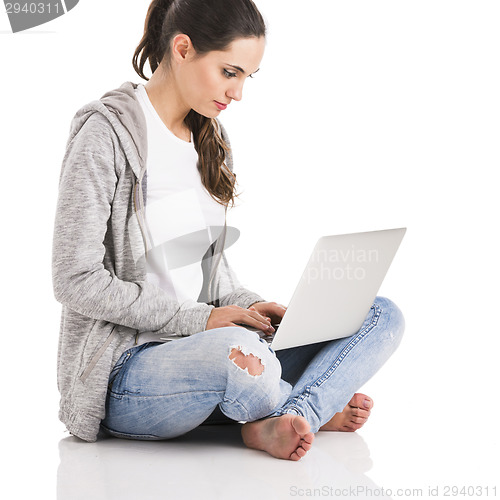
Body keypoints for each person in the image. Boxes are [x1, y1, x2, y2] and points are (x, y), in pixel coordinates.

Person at [52, 0, 405, 461]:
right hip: (129, 371)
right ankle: (309, 404)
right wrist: (202, 321)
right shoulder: (105, 135)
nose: (237, 93)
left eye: (246, 78)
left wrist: (249, 305)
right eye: (229, 72)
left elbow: (210, 279)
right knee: (238, 354)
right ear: (182, 48)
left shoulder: (209, 141)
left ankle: (291, 412)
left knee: (379, 313)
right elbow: (74, 279)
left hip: (214, 346)